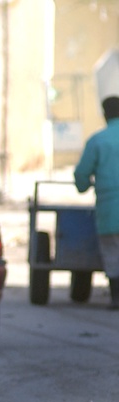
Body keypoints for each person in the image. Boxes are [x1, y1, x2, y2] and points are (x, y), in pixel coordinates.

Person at [74, 95, 119, 309]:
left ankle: (116, 296)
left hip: (109, 211)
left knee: (112, 252)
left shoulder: (98, 141)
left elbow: (81, 177)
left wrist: (86, 185)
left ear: (104, 114)